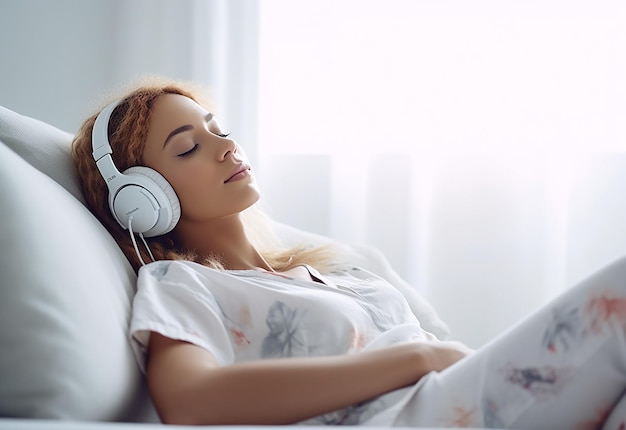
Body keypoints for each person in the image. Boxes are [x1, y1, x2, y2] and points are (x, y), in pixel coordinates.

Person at [72, 78, 626, 428]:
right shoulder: (181, 284)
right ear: (144, 201)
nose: (225, 146)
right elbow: (190, 403)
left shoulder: (334, 271)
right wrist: (418, 358)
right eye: (190, 146)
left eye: (218, 129)